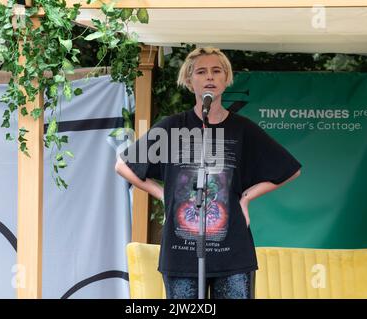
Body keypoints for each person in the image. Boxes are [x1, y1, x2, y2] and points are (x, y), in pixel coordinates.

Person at [115, 47, 301, 299]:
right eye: (201, 72)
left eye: (217, 71)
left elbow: (289, 169)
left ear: (226, 80)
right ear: (190, 82)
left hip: (232, 253)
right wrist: (162, 194)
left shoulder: (242, 129)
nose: (210, 77)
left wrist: (246, 197)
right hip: (181, 253)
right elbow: (123, 165)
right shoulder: (171, 127)